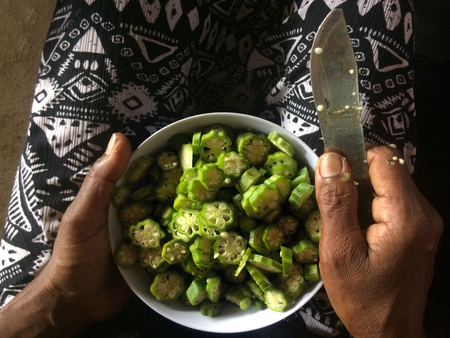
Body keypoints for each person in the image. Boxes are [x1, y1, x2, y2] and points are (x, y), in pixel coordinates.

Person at [0, 0, 443, 337]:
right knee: (361, 37)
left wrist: (58, 298)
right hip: (324, 317)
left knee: (113, 20)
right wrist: (387, 328)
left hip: (82, 311)